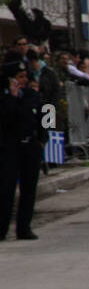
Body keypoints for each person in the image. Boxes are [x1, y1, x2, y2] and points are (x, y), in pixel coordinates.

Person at [0, 56, 45, 239]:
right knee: (6, 189)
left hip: (30, 146)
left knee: (29, 188)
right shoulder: (4, 98)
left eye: (25, 76)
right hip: (10, 147)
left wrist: (44, 137)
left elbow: (47, 110)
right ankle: (2, 228)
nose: (23, 80)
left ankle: (24, 227)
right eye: (19, 76)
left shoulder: (32, 94)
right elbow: (6, 117)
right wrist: (11, 97)